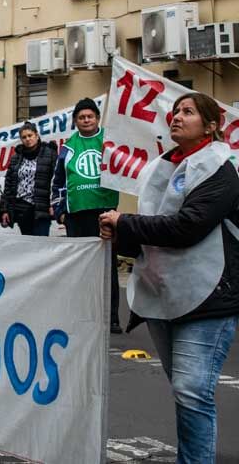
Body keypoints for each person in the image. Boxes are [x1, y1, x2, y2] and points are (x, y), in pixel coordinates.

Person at [99, 93, 239, 463]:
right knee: (184, 392)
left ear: (211, 126)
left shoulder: (221, 170)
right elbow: (151, 228)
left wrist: (125, 222)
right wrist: (118, 232)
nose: (177, 117)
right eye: (175, 111)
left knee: (192, 389)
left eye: (188, 112)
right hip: (163, 293)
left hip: (210, 298)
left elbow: (187, 227)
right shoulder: (160, 166)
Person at [52, 97, 122, 334]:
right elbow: (58, 181)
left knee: (107, 268)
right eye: (81, 117)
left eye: (90, 116)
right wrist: (60, 213)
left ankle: (111, 318)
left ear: (97, 118)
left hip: (105, 213)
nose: (86, 120)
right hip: (76, 215)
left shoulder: (109, 142)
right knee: (81, 268)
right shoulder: (68, 147)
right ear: (75, 121)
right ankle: (83, 316)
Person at [1, 122, 57, 236]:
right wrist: (5, 209)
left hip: (42, 207)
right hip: (21, 208)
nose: (27, 139)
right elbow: (9, 184)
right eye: (24, 137)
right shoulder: (16, 157)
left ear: (37, 135)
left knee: (41, 244)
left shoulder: (50, 154)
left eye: (30, 135)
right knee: (27, 245)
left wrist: (54, 204)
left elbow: (56, 180)